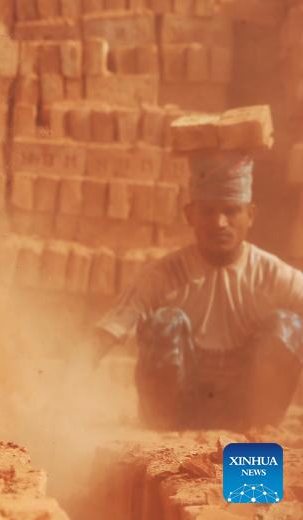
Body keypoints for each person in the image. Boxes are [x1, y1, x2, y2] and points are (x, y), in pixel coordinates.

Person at [92, 150, 303, 430]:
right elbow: (105, 334)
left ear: (250, 215)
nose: (219, 223)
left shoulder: (271, 273)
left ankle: (257, 442)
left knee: (288, 327)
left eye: (231, 211)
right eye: (208, 211)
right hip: (180, 412)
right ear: (190, 215)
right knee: (165, 323)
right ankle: (164, 437)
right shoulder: (163, 274)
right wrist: (60, 390)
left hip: (246, 414)